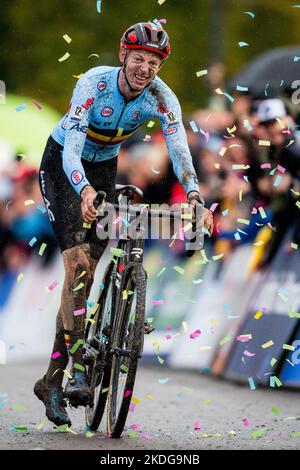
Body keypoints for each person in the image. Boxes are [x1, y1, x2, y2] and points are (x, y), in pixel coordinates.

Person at [34, 21, 214, 427]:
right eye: (138, 59)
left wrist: (196, 198)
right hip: (65, 166)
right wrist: (82, 191)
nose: (145, 68)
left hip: (103, 167)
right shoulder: (94, 86)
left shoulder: (161, 98)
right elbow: (73, 152)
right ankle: (77, 367)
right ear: (123, 56)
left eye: (154, 62)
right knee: (77, 265)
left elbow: (181, 152)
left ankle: (51, 381)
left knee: (86, 279)